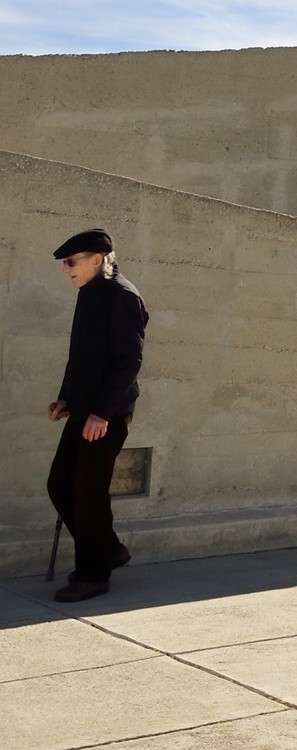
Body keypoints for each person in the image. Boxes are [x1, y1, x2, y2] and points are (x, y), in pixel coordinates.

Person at [46, 228, 147, 604]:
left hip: (106, 414)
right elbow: (83, 356)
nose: (66, 269)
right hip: (85, 410)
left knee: (88, 494)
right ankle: (108, 550)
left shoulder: (122, 297)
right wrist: (67, 399)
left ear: (97, 259)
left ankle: (93, 574)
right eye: (64, 264)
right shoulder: (90, 294)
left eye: (71, 262)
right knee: (60, 485)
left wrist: (102, 412)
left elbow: (129, 361)